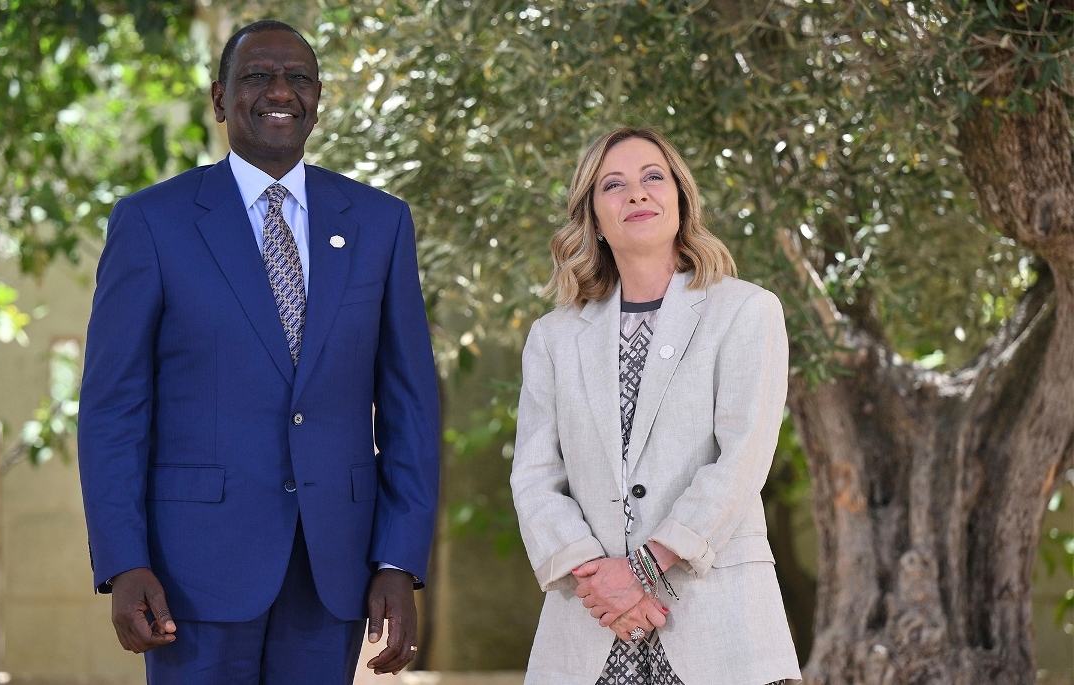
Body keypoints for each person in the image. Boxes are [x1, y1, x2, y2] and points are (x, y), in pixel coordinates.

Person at [77, 19, 440, 684]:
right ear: (220, 100)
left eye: (299, 78)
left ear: (318, 100)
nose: (280, 91)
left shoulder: (380, 223)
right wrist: (123, 560)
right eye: (257, 77)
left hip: (334, 568)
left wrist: (398, 559)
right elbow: (112, 410)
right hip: (191, 574)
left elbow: (410, 408)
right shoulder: (152, 222)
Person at [510, 127, 801, 685]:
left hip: (717, 623)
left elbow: (742, 461)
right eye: (613, 185)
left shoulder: (746, 311)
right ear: (593, 218)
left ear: (681, 198)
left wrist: (643, 569)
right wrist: (599, 580)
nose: (637, 193)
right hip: (594, 628)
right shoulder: (553, 337)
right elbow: (534, 476)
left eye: (652, 177)